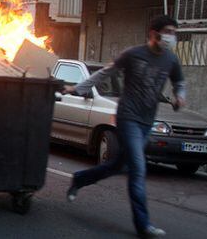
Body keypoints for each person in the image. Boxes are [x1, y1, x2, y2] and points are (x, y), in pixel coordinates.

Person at [63, 15, 186, 238]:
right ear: (153, 33)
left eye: (174, 33)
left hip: (147, 122)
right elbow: (105, 73)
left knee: (118, 165)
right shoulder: (133, 54)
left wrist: (179, 96)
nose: (171, 37)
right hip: (128, 118)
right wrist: (78, 89)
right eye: (168, 31)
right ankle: (143, 225)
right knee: (138, 168)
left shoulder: (171, 59)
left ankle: (80, 179)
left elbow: (179, 81)